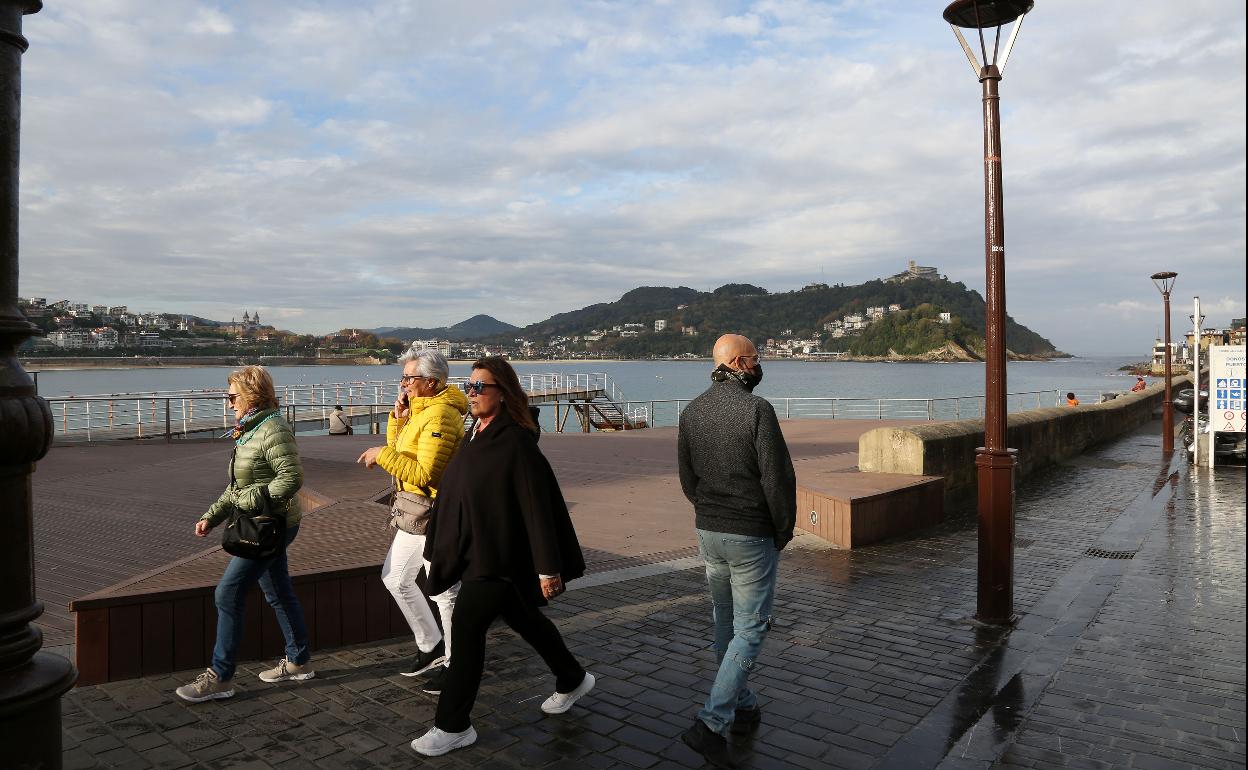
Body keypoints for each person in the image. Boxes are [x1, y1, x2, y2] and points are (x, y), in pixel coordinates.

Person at [411, 356, 593, 757]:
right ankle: (572, 677)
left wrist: (548, 568)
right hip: (480, 552)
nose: (471, 393)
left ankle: (453, 724)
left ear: (503, 393)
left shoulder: (515, 443)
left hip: (500, 557)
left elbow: (536, 506)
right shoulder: (476, 431)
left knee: (467, 630)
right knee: (524, 619)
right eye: (469, 386)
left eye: (480, 387)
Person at [677, 334, 796, 769]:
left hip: (709, 529)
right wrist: (783, 529)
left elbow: (687, 479)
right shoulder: (757, 410)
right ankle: (712, 723)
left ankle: (742, 703)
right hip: (750, 532)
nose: (759, 365)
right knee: (752, 626)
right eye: (757, 359)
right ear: (740, 362)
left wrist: (709, 508)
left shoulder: (691, 411)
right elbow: (777, 479)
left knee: (725, 621)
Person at [176, 366, 313, 702]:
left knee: (228, 593)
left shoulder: (273, 429)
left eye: (232, 396)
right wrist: (213, 515)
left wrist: (248, 499)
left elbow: (291, 479)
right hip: (265, 521)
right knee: (278, 590)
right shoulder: (252, 429)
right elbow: (239, 486)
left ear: (252, 394)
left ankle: (220, 677)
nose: (228, 403)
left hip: (271, 526)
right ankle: (298, 661)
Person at [357, 350, 468, 689]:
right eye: (403, 378)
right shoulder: (421, 412)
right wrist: (398, 420)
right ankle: (430, 644)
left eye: (409, 378)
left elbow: (426, 473)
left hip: (435, 511)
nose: (403, 384)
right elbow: (402, 452)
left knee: (444, 593)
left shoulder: (441, 416)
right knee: (395, 578)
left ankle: (457, 664)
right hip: (413, 509)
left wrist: (382, 454)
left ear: (431, 382)